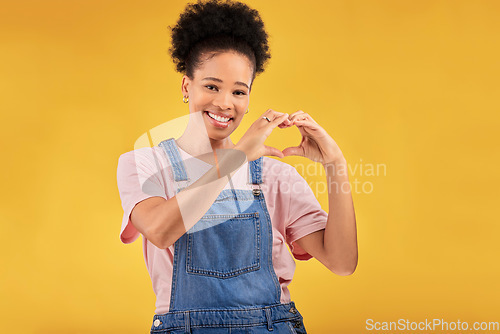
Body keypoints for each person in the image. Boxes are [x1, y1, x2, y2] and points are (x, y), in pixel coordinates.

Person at [116, 0, 358, 332]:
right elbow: (159, 230)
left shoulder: (275, 176)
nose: (225, 103)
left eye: (239, 91)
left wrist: (336, 164)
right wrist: (237, 158)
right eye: (211, 86)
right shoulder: (146, 163)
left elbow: (343, 262)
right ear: (187, 87)